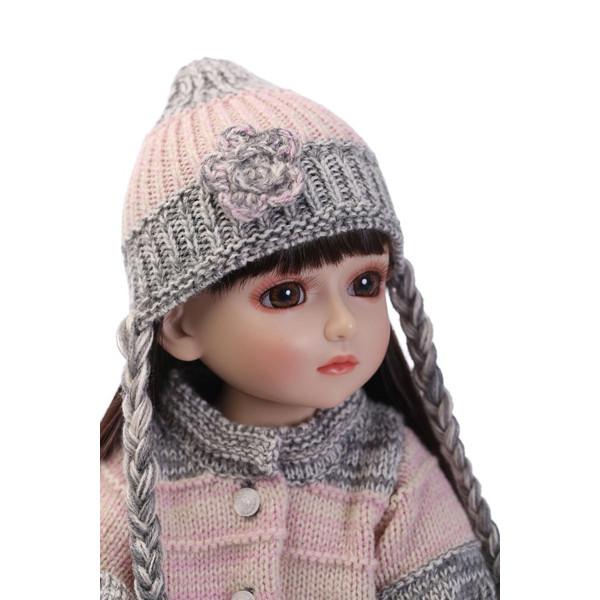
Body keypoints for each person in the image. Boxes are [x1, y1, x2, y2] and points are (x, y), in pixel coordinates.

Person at [100, 57, 500, 600]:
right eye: (285, 295)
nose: (343, 322)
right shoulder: (130, 479)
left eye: (365, 283)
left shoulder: (396, 475)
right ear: (180, 323)